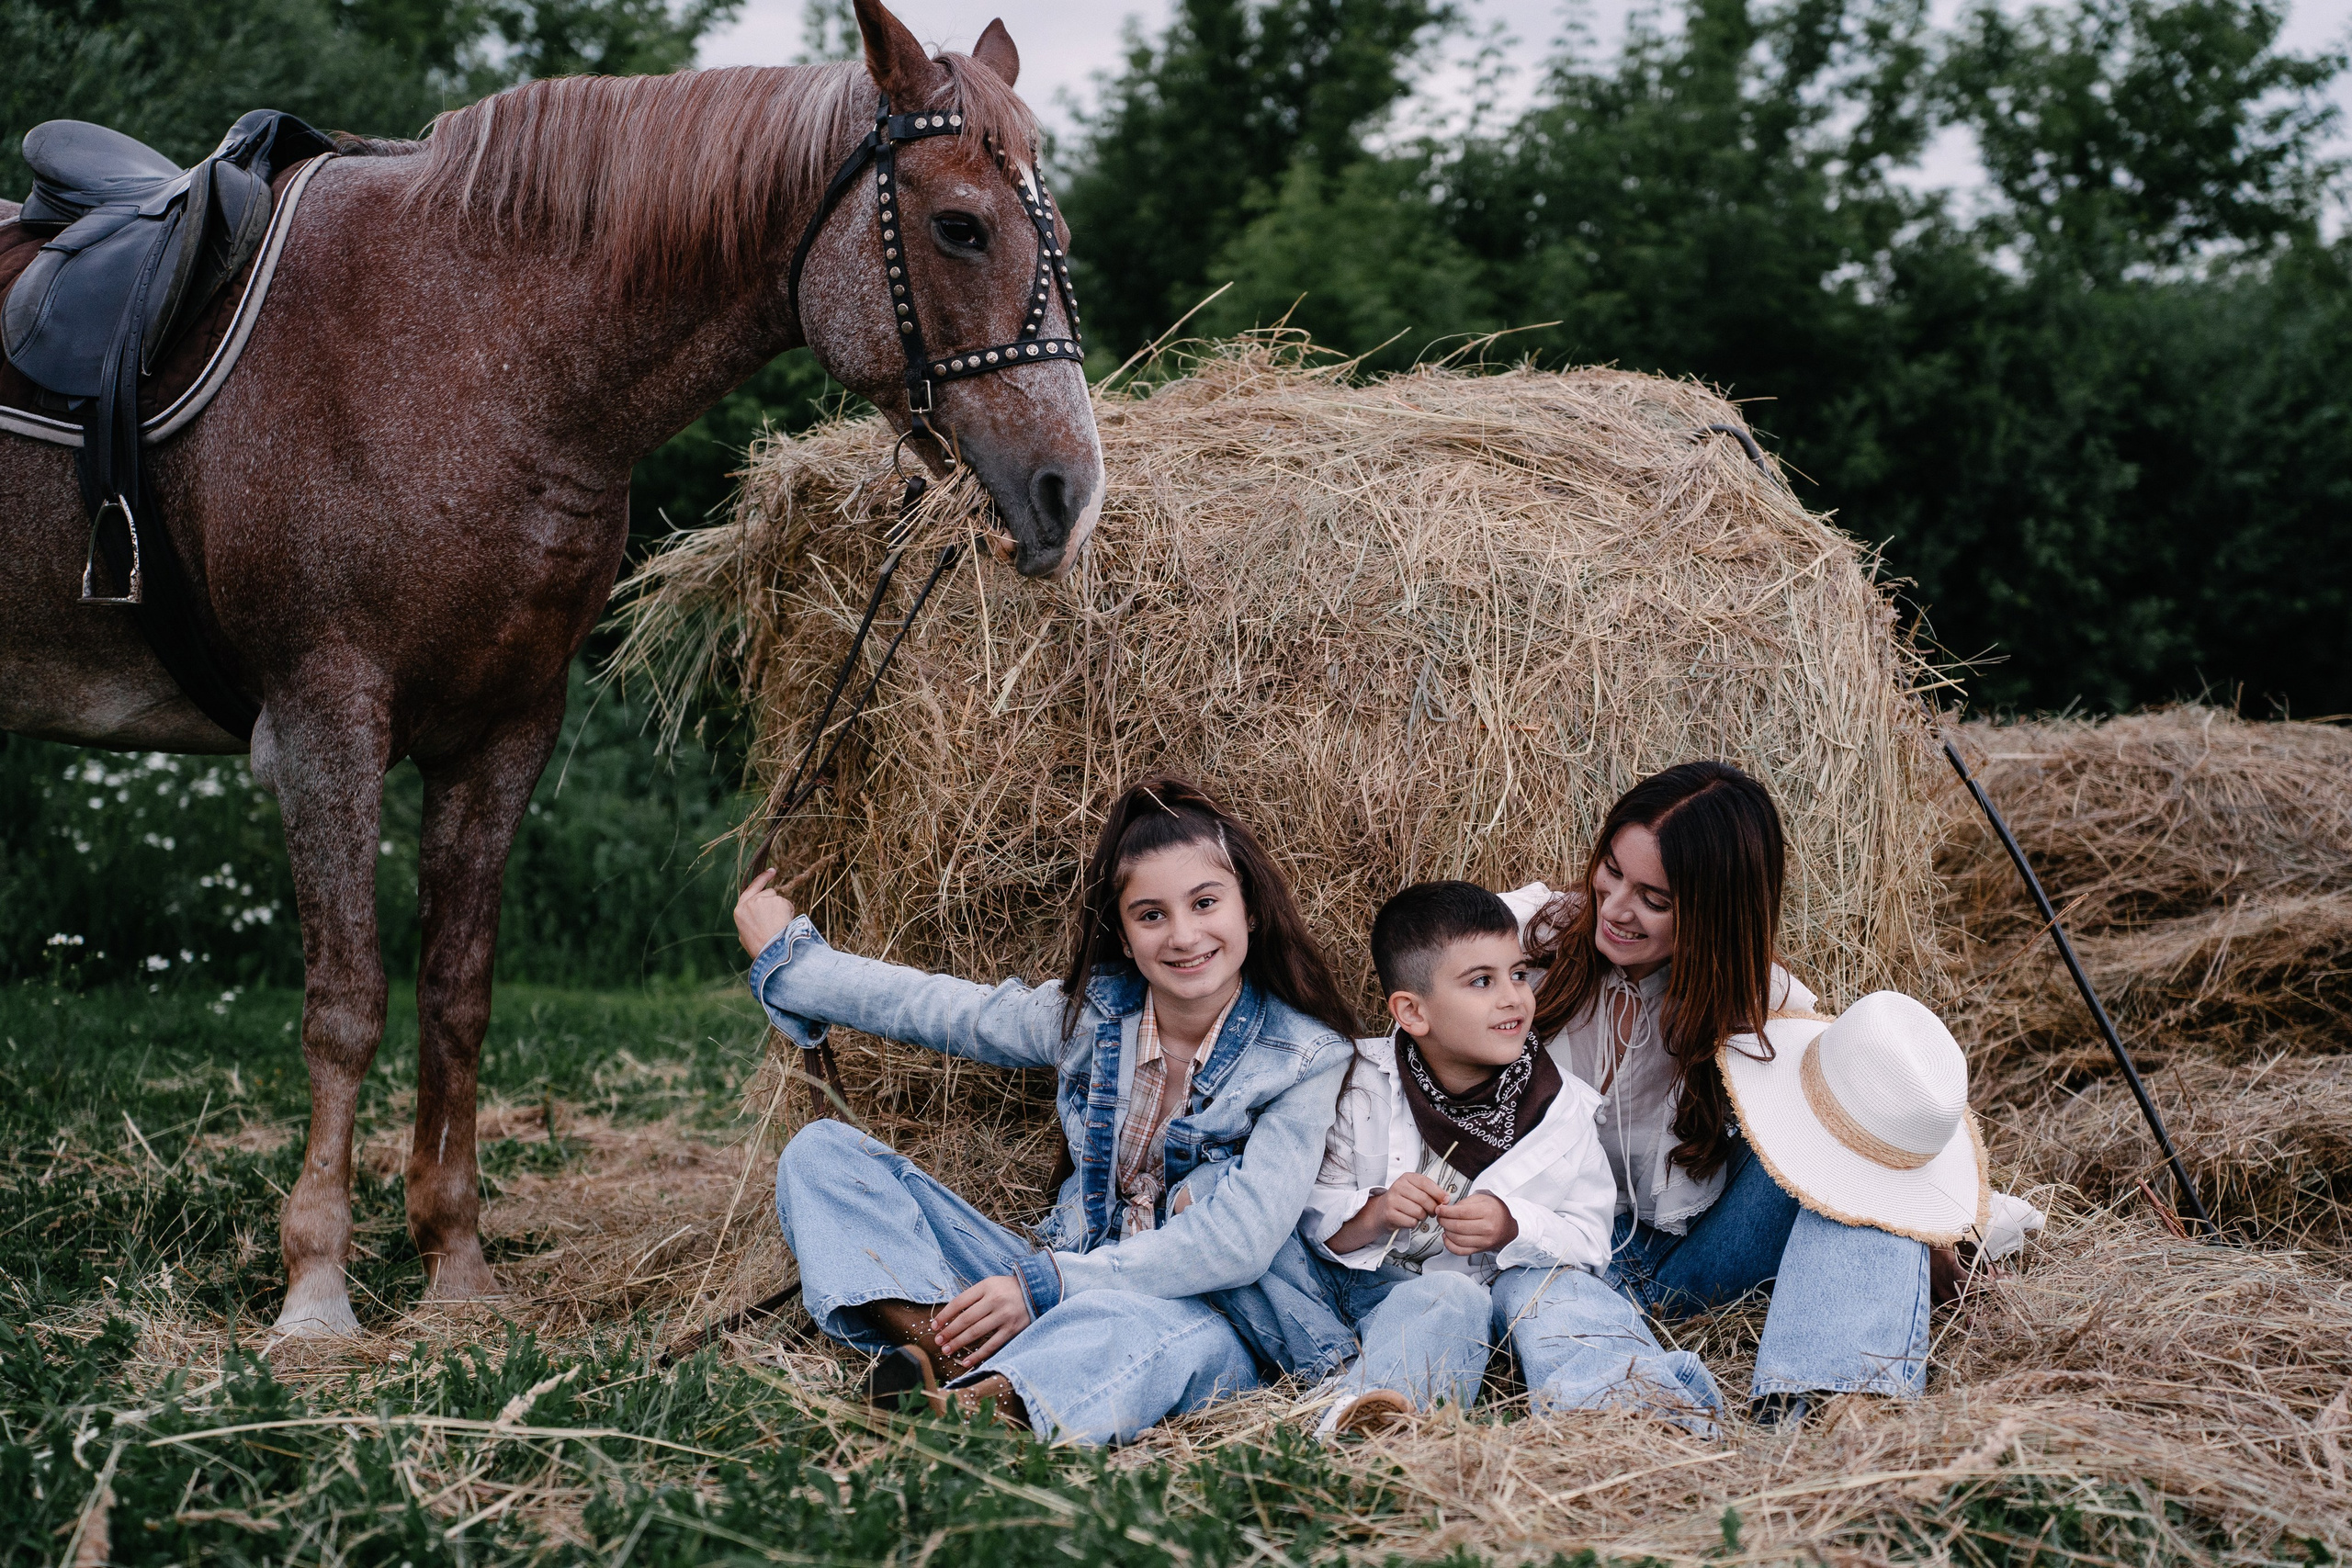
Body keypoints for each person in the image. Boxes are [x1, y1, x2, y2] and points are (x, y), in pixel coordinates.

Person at [732, 776, 1358, 1445]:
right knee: (822, 1155)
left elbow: (1239, 1240)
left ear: (1250, 910)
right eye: (1151, 914)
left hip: (1201, 1315)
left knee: (1123, 1329)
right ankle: (944, 1343)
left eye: (1205, 902)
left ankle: (985, 1409)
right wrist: (793, 964)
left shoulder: (1303, 1058)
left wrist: (1048, 1283)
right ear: (1121, 933)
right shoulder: (1091, 1016)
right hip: (1051, 1277)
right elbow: (944, 1008)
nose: (1183, 935)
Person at [1502, 760, 2037, 1428]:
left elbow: (1868, 1135)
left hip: (1697, 1255)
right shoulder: (1527, 935)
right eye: (1611, 869)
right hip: (1562, 1247)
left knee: (1855, 1131)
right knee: (1524, 1283)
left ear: (1714, 909)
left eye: (1655, 899)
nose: (1614, 907)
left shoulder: (1762, 1000)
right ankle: (1649, 1412)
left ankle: (1832, 1404)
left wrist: (1922, 1234)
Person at [1301, 881, 1723, 1437]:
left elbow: (1593, 1241)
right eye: (1482, 982)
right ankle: (1382, 1424)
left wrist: (1513, 1225)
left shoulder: (1561, 1106)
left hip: (1512, 1289)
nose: (1514, 997)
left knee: (1561, 1293)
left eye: (1519, 974)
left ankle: (1627, 1411)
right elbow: (1306, 1211)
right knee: (1443, 1300)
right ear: (1412, 1012)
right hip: (1381, 1294)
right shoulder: (1358, 1086)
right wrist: (1373, 1212)